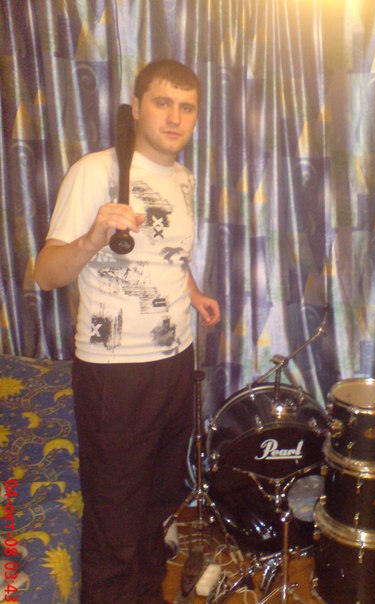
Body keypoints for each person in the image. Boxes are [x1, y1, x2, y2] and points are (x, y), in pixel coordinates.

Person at [34, 59, 220, 604]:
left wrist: (192, 291)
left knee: (157, 507)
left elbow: (167, 254)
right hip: (115, 373)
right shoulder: (95, 171)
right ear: (136, 107)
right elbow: (45, 273)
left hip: (176, 363)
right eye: (162, 103)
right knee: (114, 520)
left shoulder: (182, 178)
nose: (175, 117)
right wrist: (92, 238)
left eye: (186, 107)